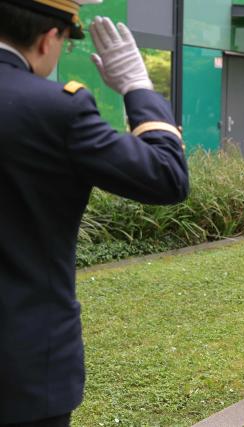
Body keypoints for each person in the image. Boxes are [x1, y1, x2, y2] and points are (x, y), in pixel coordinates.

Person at [0, 1, 189, 426]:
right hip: (22, 370)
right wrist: (139, 88)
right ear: (50, 38)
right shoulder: (57, 109)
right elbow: (166, 176)